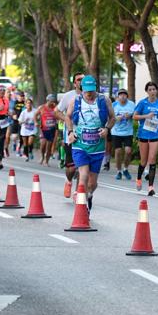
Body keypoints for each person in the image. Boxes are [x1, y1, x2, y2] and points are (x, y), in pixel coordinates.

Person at [63, 75, 115, 211]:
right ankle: (82, 206)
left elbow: (112, 118)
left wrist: (107, 129)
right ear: (82, 89)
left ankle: (89, 194)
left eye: (91, 90)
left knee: (92, 183)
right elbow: (67, 117)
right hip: (80, 144)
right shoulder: (76, 100)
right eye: (87, 91)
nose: (89, 94)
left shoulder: (104, 100)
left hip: (97, 146)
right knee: (83, 175)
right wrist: (70, 132)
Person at [55, 72, 86, 199]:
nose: (81, 82)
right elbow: (56, 112)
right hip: (71, 136)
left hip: (86, 137)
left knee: (82, 167)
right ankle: (68, 181)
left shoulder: (91, 97)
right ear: (75, 83)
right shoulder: (68, 96)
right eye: (79, 80)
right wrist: (67, 120)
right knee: (71, 169)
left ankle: (78, 192)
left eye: (84, 79)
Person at [133, 81, 158, 195]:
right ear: (147, 91)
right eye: (150, 90)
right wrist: (146, 116)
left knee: (152, 159)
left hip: (155, 135)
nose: (152, 91)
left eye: (154, 89)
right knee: (143, 161)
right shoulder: (142, 103)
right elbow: (135, 116)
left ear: (156, 90)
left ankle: (150, 187)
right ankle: (138, 179)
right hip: (143, 134)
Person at [110, 88, 136, 180]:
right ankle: (119, 171)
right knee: (118, 152)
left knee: (128, 151)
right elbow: (109, 117)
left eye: (124, 94)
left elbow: (136, 115)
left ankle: (125, 169)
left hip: (128, 132)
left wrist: (130, 116)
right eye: (120, 95)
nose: (123, 96)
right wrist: (116, 118)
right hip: (116, 132)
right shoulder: (114, 105)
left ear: (127, 96)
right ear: (118, 96)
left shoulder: (132, 104)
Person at [37, 95, 58, 166]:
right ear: (48, 100)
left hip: (52, 129)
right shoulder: (42, 107)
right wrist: (35, 122)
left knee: (49, 146)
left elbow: (58, 115)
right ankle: (42, 157)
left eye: (53, 102)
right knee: (43, 145)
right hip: (44, 129)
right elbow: (35, 115)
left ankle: (46, 161)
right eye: (51, 101)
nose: (53, 103)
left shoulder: (55, 108)